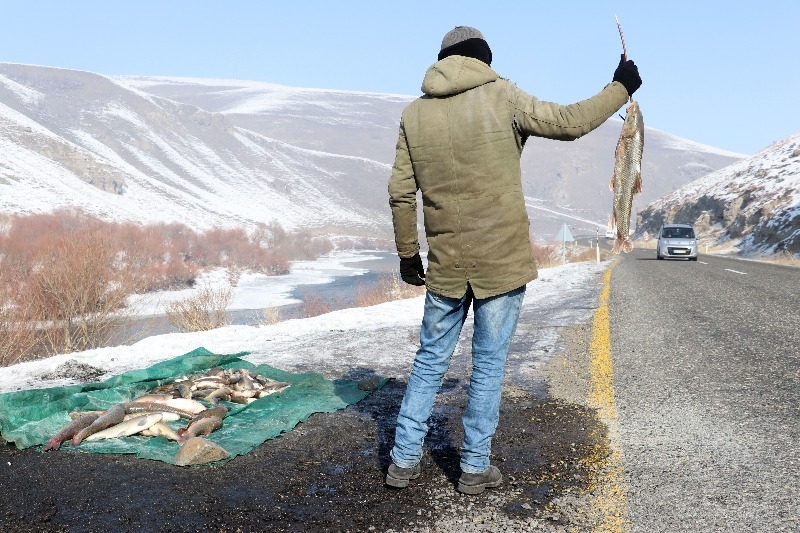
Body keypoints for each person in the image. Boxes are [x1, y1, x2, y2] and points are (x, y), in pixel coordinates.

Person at [386, 26, 642, 494]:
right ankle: (473, 468)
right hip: (501, 262)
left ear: (443, 60)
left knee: (429, 361)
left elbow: (401, 193)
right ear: (483, 59)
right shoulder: (503, 96)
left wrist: (408, 255)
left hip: (445, 262)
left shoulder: (413, 114)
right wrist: (620, 88)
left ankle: (402, 461)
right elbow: (569, 122)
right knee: (488, 364)